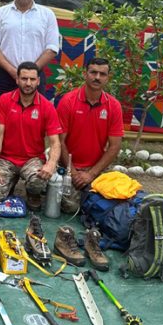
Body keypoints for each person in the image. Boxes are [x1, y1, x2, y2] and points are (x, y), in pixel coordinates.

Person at [0, 62, 62, 211]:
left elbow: (55, 142)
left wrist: (51, 164)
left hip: (32, 160)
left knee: (39, 182)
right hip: (6, 159)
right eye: (24, 78)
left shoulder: (47, 106)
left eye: (32, 79)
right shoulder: (4, 100)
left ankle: (33, 193)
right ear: (17, 80)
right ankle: (10, 183)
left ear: (38, 81)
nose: (28, 83)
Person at [56, 57, 124, 213]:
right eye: (93, 72)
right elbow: (60, 142)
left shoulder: (114, 106)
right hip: (69, 168)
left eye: (102, 74)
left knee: (114, 204)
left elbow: (115, 146)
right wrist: (72, 173)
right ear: (85, 74)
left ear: (108, 78)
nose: (97, 77)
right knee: (70, 208)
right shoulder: (68, 101)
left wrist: (91, 174)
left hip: (97, 169)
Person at [0, 0, 60, 98]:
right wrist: (14, 72)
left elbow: (52, 48)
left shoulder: (47, 14)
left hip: (36, 77)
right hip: (6, 76)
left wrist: (29, 74)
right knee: (4, 116)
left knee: (35, 115)